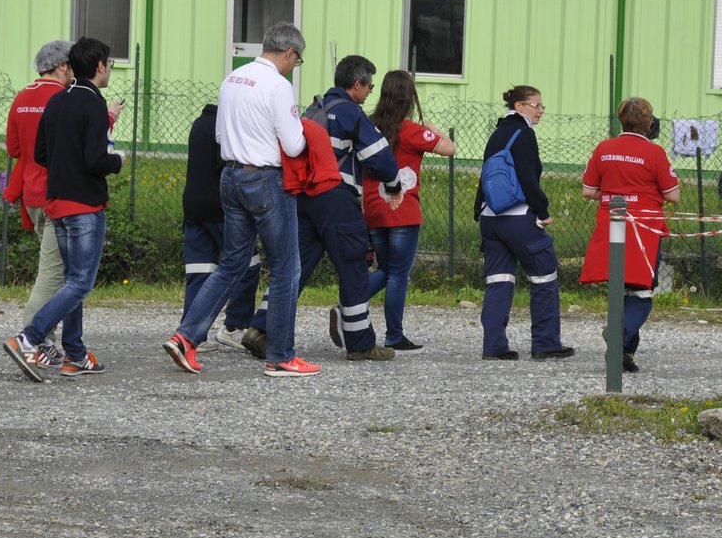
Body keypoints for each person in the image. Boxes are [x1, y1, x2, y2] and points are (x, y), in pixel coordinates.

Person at [163, 21, 316, 378]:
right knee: (286, 268)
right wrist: (311, 138)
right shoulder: (278, 85)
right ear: (290, 53)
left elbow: (219, 133)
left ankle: (186, 336)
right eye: (298, 60)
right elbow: (294, 144)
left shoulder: (232, 79)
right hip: (265, 178)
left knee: (231, 264)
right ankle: (281, 355)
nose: (295, 67)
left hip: (229, 176)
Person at [243, 53, 404, 362]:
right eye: (369, 86)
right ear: (357, 84)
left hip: (302, 197)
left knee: (293, 268)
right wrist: (394, 186)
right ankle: (360, 343)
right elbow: (380, 156)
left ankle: (261, 329)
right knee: (353, 264)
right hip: (335, 197)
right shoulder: (350, 112)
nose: (371, 92)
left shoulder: (313, 109)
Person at [1, 38, 122, 381]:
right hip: (83, 203)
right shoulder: (93, 104)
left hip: (53, 200)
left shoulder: (55, 101)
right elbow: (96, 159)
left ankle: (75, 354)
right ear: (99, 66)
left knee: (71, 279)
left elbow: (36, 154)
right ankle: (29, 337)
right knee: (79, 282)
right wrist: (118, 161)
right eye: (109, 63)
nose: (110, 68)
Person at [580, 96, 681, 373]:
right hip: (644, 229)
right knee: (642, 294)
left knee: (620, 290)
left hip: (612, 225)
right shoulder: (655, 153)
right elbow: (673, 196)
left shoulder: (604, 148)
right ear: (649, 123)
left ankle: (624, 354)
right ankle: (619, 335)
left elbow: (588, 191)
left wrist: (615, 194)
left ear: (620, 120)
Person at [473, 85, 573, 361]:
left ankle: (494, 346)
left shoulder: (497, 133)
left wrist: (478, 211)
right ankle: (546, 343)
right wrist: (542, 211)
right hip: (518, 217)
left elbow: (487, 176)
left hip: (490, 218)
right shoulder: (524, 134)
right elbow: (529, 178)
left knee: (499, 280)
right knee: (544, 275)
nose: (541, 111)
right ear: (519, 106)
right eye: (536, 105)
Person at [364, 69, 455, 351]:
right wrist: (435, 129)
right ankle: (393, 334)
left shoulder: (368, 127)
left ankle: (350, 301)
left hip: (374, 209)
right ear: (408, 98)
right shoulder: (414, 131)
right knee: (398, 274)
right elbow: (449, 149)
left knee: (387, 268)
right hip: (404, 212)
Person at [1, 39, 73, 369]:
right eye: (73, 65)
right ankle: (31, 337)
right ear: (61, 67)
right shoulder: (63, 99)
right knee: (52, 276)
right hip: (57, 195)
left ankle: (54, 343)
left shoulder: (22, 98)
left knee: (57, 272)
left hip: (31, 195)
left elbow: (14, 149)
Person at [181, 102, 260, 351]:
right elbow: (228, 167)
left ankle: (191, 334)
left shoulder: (199, 122)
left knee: (199, 271)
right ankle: (234, 326)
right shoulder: (225, 125)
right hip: (219, 207)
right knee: (249, 263)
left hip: (193, 206)